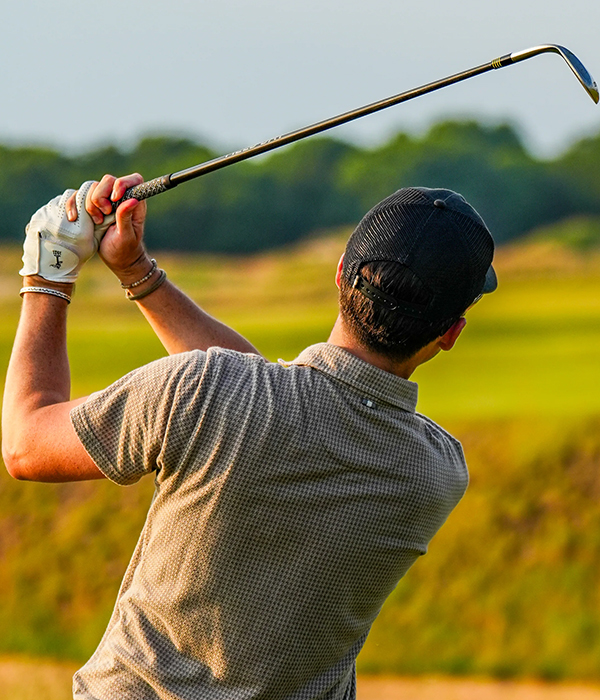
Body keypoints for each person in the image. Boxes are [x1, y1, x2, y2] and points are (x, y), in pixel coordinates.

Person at [2, 173, 496, 700]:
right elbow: (275, 400)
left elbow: (26, 443)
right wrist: (136, 272)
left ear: (340, 275)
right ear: (450, 333)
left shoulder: (209, 390)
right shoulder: (437, 471)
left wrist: (49, 271)